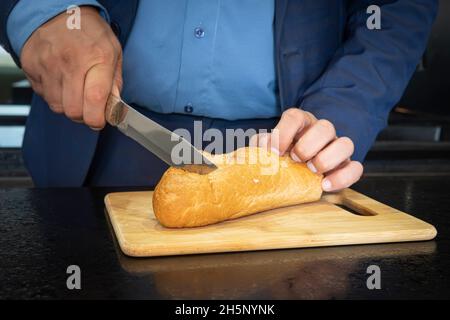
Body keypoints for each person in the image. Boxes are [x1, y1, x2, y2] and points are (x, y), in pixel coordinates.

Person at [0, 0, 438, 188]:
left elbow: (397, 8)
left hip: (285, 154)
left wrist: (339, 110)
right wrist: (44, 10)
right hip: (94, 147)